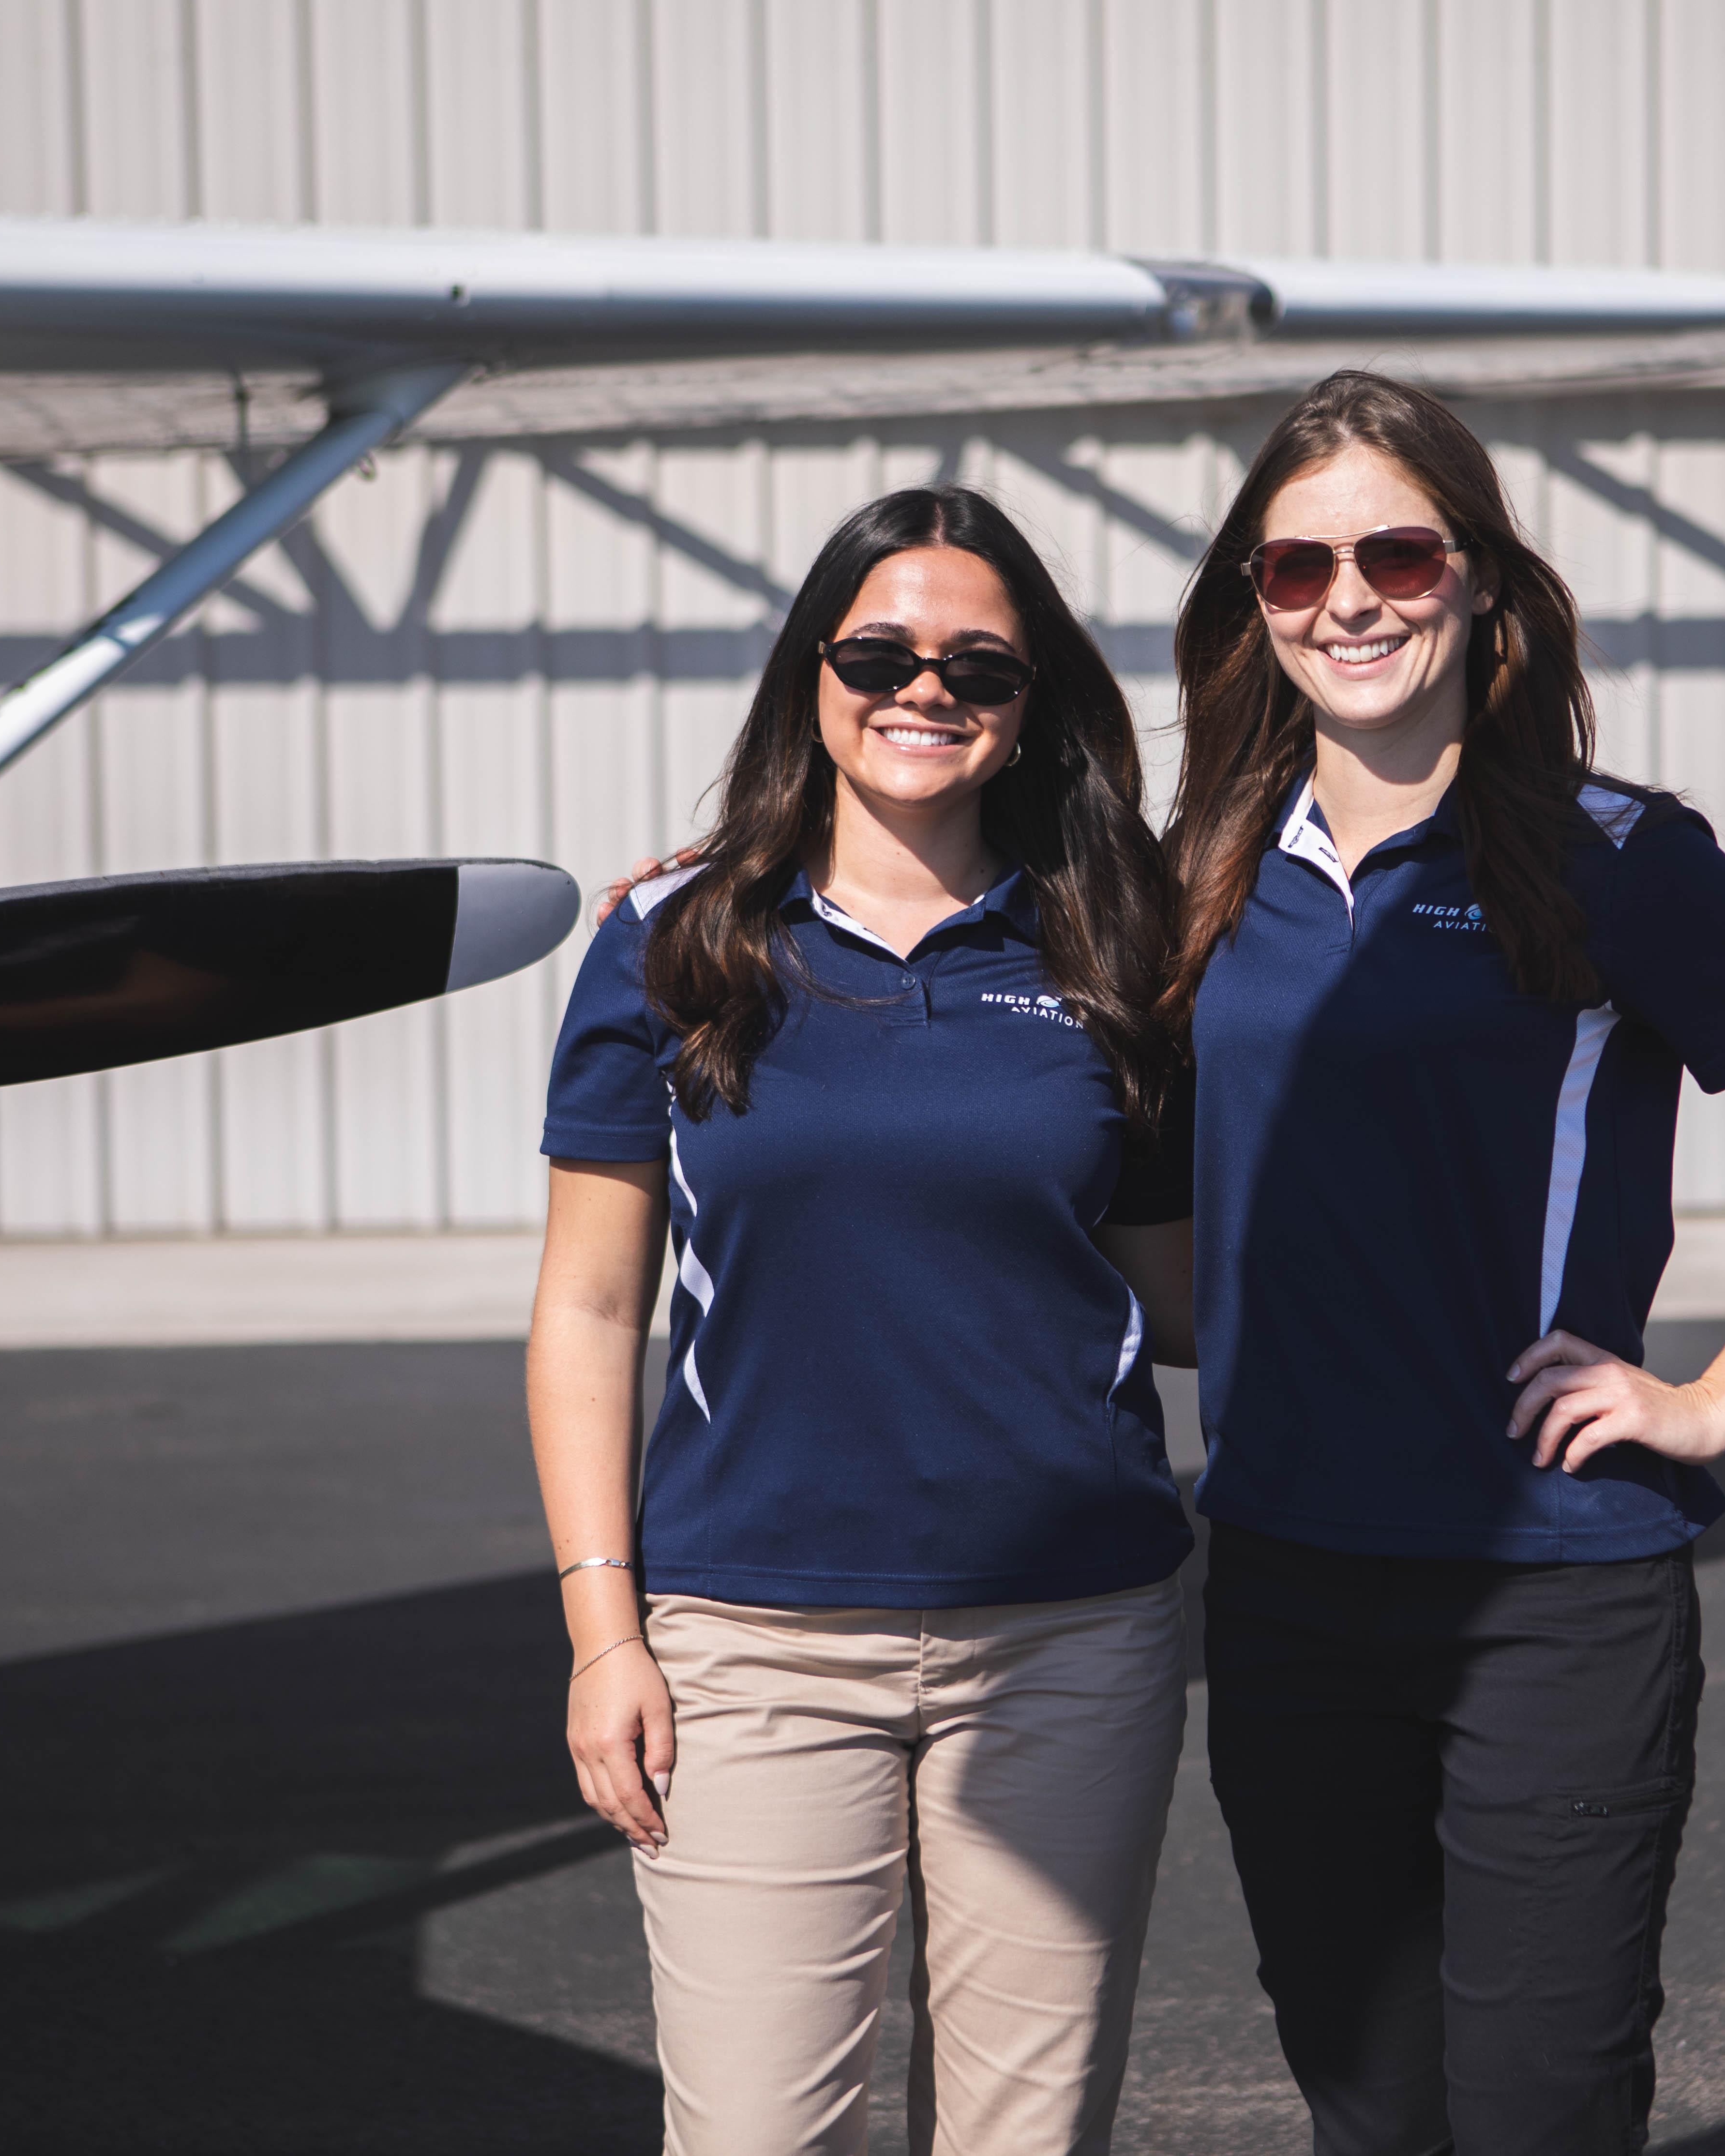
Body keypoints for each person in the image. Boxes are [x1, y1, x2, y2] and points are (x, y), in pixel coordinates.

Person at [1164, 370, 1725, 2154]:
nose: (1347, 599)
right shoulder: (1204, 868)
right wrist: (727, 877)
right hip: (1284, 1580)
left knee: (1541, 2109)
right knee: (1368, 2110)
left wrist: (1713, 1397)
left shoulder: (1617, 860)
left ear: (1480, 582)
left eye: (1395, 552)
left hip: (1546, 1589)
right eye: (1294, 569)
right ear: (1252, 608)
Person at [525, 485, 1197, 2156]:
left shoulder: (1118, 942)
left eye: (980, 667)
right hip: (750, 1640)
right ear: (810, 677)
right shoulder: (675, 941)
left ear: (1034, 708)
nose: (926, 690)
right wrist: (604, 1632)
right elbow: (590, 1307)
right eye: (880, 652)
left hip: (1071, 1637)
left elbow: (1186, 1299)